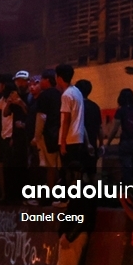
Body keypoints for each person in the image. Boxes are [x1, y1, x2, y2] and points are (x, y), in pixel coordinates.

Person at [42, 162, 97, 265]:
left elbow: (82, 217)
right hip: (72, 234)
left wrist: (69, 235)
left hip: (73, 236)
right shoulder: (82, 191)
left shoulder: (83, 192)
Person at [56, 64, 88, 201]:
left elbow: (66, 120)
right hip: (78, 137)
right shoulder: (77, 92)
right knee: (76, 171)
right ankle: (75, 199)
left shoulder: (66, 95)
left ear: (59, 77)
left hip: (69, 138)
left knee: (66, 170)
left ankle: (66, 200)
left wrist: (62, 142)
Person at [34, 69, 62, 194]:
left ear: (47, 80)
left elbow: (41, 117)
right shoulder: (60, 94)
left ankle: (51, 193)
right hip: (60, 133)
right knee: (58, 164)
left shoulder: (44, 96)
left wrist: (36, 136)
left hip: (48, 135)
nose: (40, 82)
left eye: (41, 79)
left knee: (50, 167)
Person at [75, 79, 102, 182]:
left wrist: (87, 143)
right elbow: (100, 127)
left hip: (80, 144)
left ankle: (79, 197)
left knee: (78, 174)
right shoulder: (95, 106)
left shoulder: (78, 105)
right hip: (93, 145)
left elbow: (81, 125)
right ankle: (93, 196)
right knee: (92, 174)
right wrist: (101, 144)